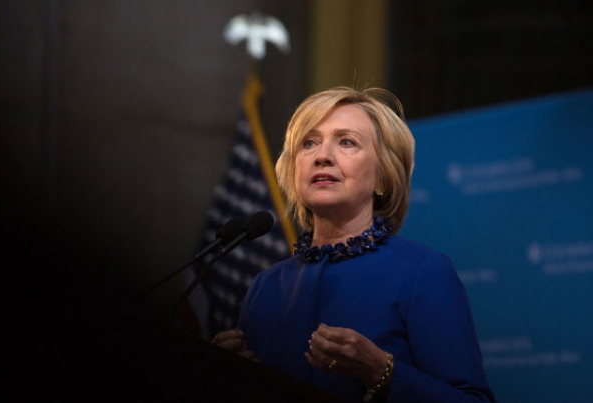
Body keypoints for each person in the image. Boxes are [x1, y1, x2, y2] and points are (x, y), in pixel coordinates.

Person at [211, 87, 496, 403]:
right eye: (309, 143)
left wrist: (382, 372)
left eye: (346, 142)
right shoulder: (265, 287)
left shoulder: (422, 273)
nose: (322, 156)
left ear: (382, 177)